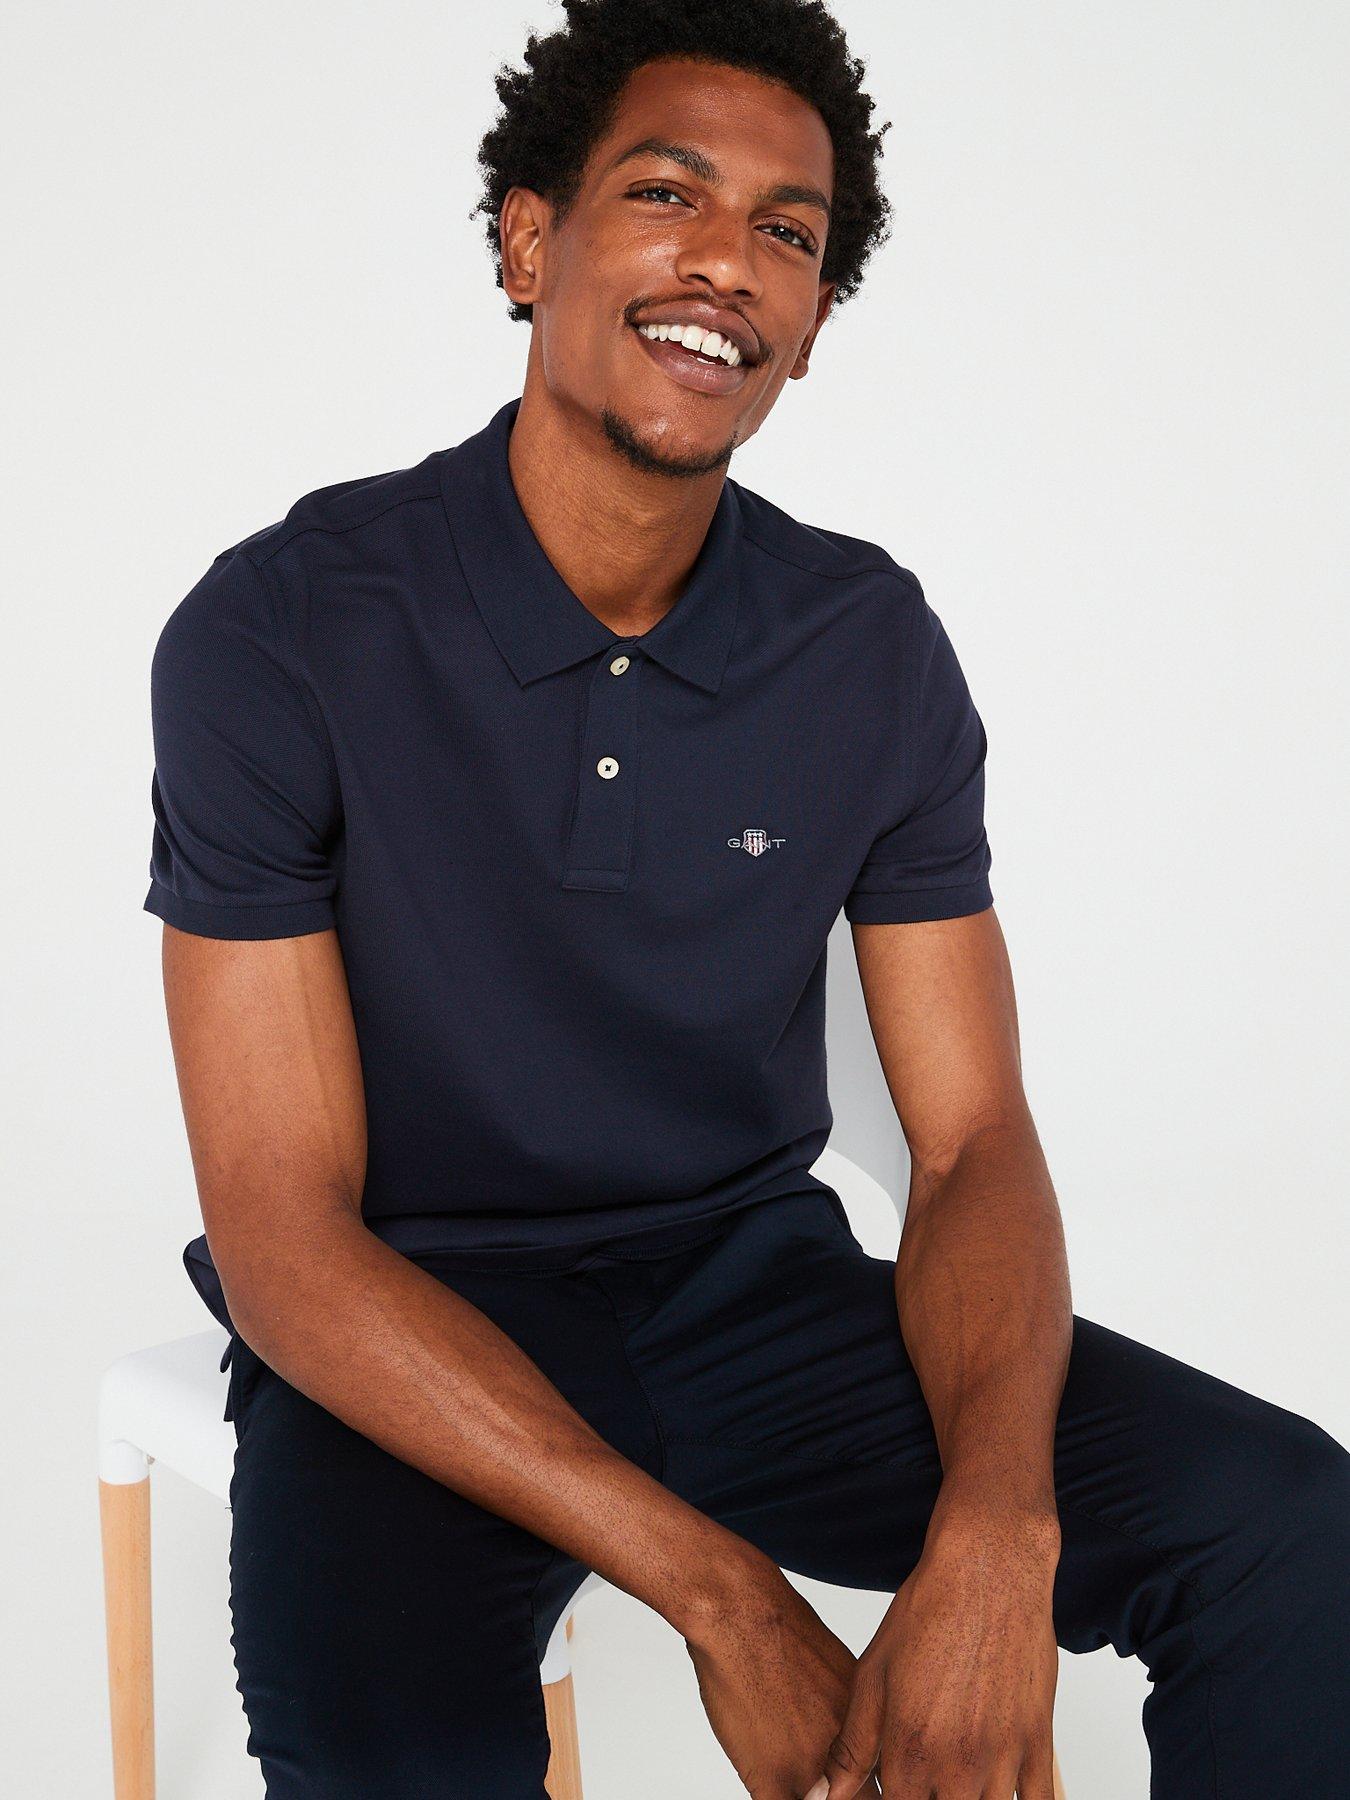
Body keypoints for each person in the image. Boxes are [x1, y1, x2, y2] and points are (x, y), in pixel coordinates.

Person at [141, 3, 1349, 1796]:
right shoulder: (283, 627)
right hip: (410, 1323)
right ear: (529, 241)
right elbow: (284, 1238)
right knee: (392, 1753)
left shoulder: (864, 644)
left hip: (750, 1294)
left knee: (1285, 1525)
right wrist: (727, 1599)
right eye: (666, 193)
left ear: (811, 326)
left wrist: (997, 1535)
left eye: (787, 230)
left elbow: (967, 1140)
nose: (729, 259)